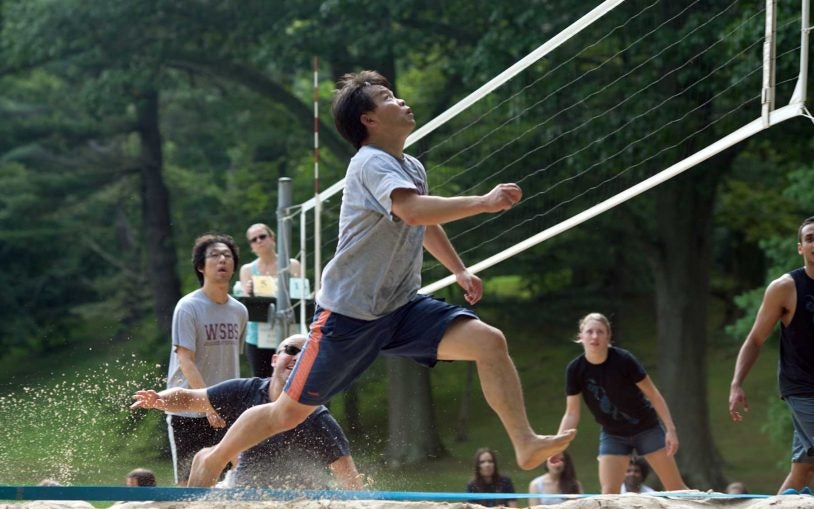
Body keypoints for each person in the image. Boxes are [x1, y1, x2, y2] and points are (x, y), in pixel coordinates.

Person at [186, 71, 575, 486]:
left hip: (401, 306)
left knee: (489, 341)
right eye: (388, 96)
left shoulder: (411, 165)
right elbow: (411, 210)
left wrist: (458, 268)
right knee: (287, 413)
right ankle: (213, 458)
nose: (401, 101)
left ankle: (525, 442)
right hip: (348, 316)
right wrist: (483, 202)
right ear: (369, 119)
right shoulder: (370, 162)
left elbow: (421, 220)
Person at [132, 334, 361, 490]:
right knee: (205, 455)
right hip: (242, 491)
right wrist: (159, 399)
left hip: (294, 497)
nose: (298, 357)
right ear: (274, 359)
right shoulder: (245, 390)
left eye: (307, 355)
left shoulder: (317, 417)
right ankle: (195, 503)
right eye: (291, 350)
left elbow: (350, 479)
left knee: (216, 455)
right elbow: (191, 398)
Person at [729, 216, 814, 495]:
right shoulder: (785, 288)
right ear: (800, 248)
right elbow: (755, 339)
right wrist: (736, 383)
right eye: (810, 239)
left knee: (802, 470)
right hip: (802, 387)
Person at [558, 312, 688, 494]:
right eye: (589, 332)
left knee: (676, 489)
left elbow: (653, 394)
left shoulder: (624, 360)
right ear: (581, 336)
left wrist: (670, 430)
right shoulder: (575, 369)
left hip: (646, 428)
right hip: (613, 434)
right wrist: (558, 446)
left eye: (600, 332)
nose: (595, 336)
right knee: (609, 494)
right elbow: (571, 413)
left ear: (608, 335)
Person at [165, 233, 248, 485]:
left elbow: (231, 361)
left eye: (227, 255)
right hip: (187, 409)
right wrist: (207, 403)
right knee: (189, 484)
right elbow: (185, 361)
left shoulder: (239, 311)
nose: (222, 259)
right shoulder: (188, 307)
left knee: (227, 481)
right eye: (214, 255)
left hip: (226, 409)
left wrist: (230, 404)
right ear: (201, 266)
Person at [238, 223, 302, 378]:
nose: (259, 241)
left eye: (262, 236)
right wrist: (248, 292)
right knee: (262, 379)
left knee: (293, 377)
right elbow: (245, 304)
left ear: (272, 238)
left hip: (288, 330)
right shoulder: (247, 270)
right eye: (254, 240)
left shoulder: (291, 265)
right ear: (251, 246)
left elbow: (300, 294)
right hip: (258, 336)